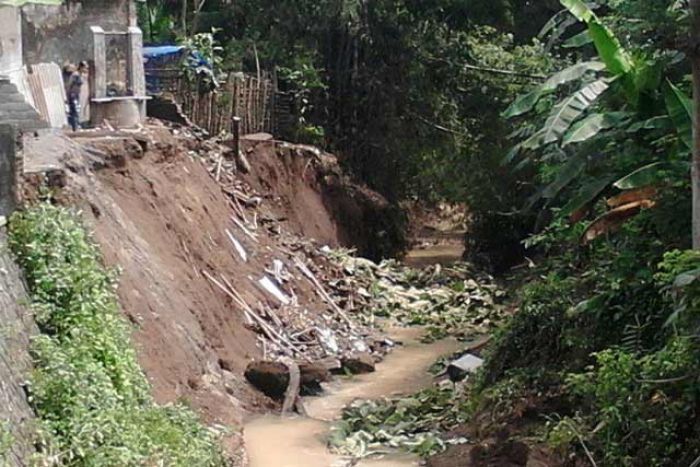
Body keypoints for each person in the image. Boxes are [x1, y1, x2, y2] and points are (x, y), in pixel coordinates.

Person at [66, 61, 88, 131]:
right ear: (81, 67)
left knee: (76, 110)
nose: (86, 69)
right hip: (73, 95)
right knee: (75, 111)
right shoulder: (76, 75)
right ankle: (75, 127)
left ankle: (75, 126)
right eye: (84, 68)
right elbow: (70, 85)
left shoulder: (80, 75)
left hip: (76, 95)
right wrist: (69, 95)